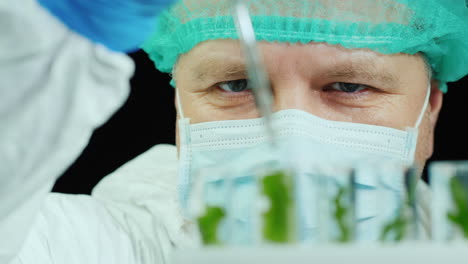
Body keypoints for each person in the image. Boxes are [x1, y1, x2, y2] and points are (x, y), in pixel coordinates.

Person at [1, 0, 467, 263]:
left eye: (349, 86)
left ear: (429, 111)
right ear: (180, 109)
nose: (289, 137)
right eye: (235, 84)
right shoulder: (94, 248)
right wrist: (35, 45)